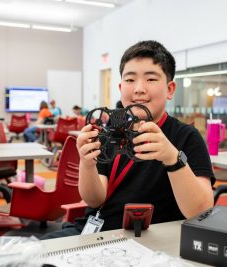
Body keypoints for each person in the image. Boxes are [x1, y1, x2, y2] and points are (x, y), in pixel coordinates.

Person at [41, 40, 214, 239]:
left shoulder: (185, 137)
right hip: (95, 233)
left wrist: (172, 158)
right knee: (31, 254)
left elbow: (200, 211)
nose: (139, 89)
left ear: (170, 89)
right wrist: (87, 164)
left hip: (147, 240)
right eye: (130, 80)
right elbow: (94, 200)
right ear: (120, 86)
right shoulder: (109, 132)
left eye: (151, 79)